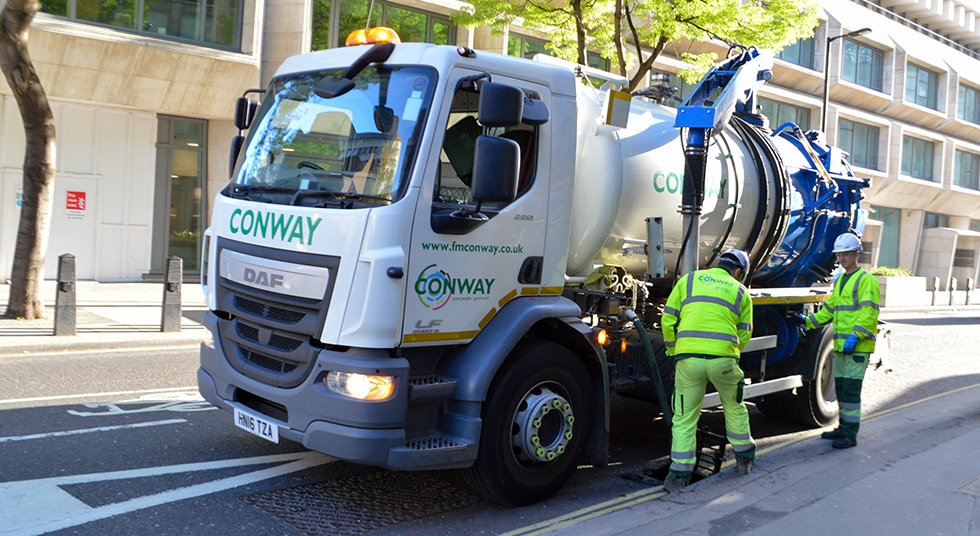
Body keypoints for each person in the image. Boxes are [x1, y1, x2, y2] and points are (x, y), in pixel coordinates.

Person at [661, 249, 755, 492]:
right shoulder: (741, 291)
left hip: (688, 361)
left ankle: (678, 476)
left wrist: (674, 352)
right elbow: (744, 332)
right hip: (723, 361)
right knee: (734, 407)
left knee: (684, 417)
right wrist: (730, 352)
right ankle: (744, 460)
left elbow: (668, 320)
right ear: (738, 272)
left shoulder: (689, 280)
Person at [798, 232, 880, 449]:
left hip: (857, 346)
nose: (841, 258)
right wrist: (808, 322)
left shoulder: (866, 280)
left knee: (851, 393)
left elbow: (869, 312)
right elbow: (831, 309)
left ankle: (850, 435)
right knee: (842, 390)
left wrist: (855, 336)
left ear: (856, 254)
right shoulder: (842, 280)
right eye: (839, 255)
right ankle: (842, 428)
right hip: (843, 347)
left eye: (846, 254)